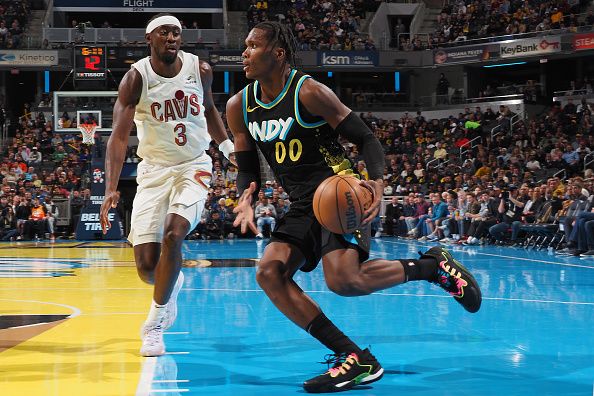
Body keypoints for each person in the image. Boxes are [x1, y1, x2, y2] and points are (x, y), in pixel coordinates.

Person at [227, 21, 482, 393]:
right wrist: (245, 195)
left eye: (252, 46)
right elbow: (248, 165)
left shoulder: (309, 92)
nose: (244, 53)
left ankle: (431, 267)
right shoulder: (240, 105)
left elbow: (365, 138)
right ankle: (356, 359)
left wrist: (376, 183)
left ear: (277, 53)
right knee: (269, 272)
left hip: (339, 194)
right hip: (302, 203)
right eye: (245, 46)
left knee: (345, 281)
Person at [99, 14, 234, 357]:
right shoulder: (136, 78)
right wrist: (110, 188)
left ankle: (154, 325)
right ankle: (169, 285)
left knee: (174, 234)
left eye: (176, 32)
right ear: (150, 39)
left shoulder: (199, 69)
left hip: (193, 165)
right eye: (164, 32)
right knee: (147, 268)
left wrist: (227, 146)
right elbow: (118, 137)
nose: (172, 37)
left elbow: (209, 109)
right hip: (154, 171)